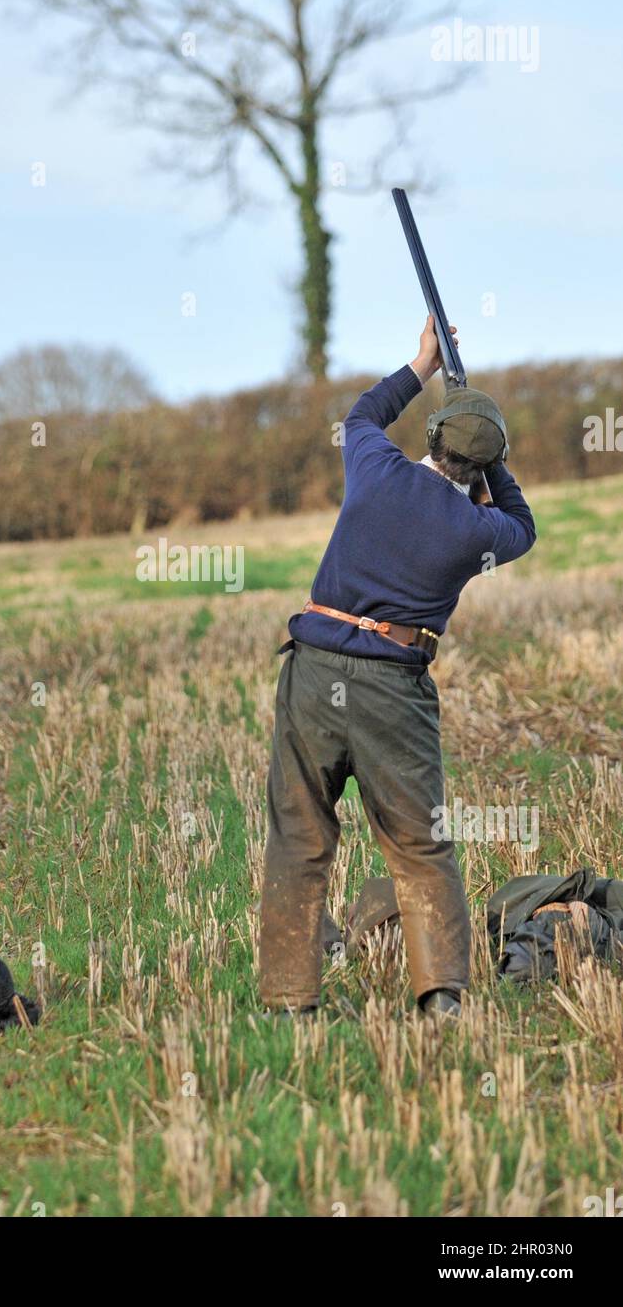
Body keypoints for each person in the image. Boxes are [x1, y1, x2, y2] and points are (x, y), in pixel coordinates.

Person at [259, 316, 536, 1018]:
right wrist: (490, 458)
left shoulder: (374, 465)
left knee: (300, 835)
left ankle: (291, 1001)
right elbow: (522, 524)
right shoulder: (480, 532)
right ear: (481, 467)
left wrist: (423, 366)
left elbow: (364, 412)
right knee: (420, 847)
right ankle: (441, 1000)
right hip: (394, 689)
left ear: (433, 439)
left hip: (315, 671)